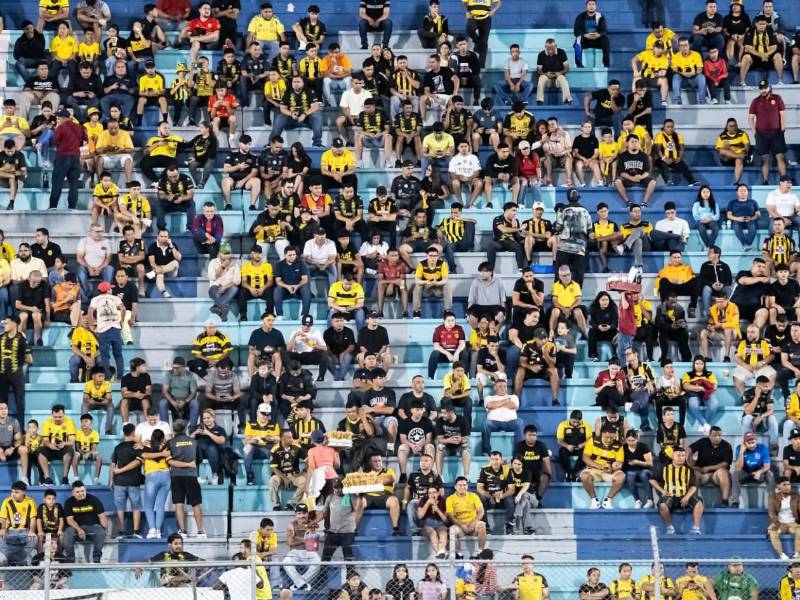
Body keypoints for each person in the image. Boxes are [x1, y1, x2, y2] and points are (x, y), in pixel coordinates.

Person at [650, 447, 703, 535]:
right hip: (670, 496)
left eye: (683, 456)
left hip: (684, 496)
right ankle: (670, 528)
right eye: (678, 455)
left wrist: (687, 496)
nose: (681, 458)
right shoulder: (664, 468)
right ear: (672, 456)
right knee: (662, 505)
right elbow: (652, 480)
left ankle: (696, 528)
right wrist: (662, 491)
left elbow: (693, 486)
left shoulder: (689, 469)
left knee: (699, 503)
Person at [167, 419, 205, 537]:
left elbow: (167, 460)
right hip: (191, 475)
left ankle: (182, 531)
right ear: (185, 429)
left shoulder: (171, 442)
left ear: (174, 430)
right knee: (196, 503)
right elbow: (199, 459)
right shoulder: (193, 442)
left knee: (179, 503)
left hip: (176, 476)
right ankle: (200, 531)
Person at [749, 80, 787, 184]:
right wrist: (754, 132)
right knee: (765, 158)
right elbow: (750, 118)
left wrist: (782, 129)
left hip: (777, 134)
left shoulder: (777, 98)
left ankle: (784, 180)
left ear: (769, 87)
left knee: (780, 156)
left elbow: (783, 115)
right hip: (761, 135)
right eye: (761, 89)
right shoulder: (755, 101)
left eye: (765, 88)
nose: (763, 90)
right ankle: (765, 181)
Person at [110, 423, 143, 538]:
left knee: (120, 508)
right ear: (133, 433)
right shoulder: (137, 446)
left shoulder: (118, 447)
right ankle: (136, 531)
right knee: (136, 507)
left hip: (119, 482)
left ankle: (122, 532)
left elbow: (113, 465)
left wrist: (112, 479)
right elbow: (137, 462)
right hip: (133, 481)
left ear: (124, 433)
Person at [580, 423, 625, 509]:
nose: (609, 440)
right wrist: (597, 466)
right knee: (584, 476)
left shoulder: (619, 445)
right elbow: (585, 458)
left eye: (611, 438)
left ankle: (608, 500)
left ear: (615, 435)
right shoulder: (592, 441)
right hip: (594, 471)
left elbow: (619, 463)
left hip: (608, 472)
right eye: (606, 437)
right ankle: (594, 500)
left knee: (621, 476)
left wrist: (613, 467)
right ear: (602, 434)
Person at [47, 109, 85, 210]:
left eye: (59, 118)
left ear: (64, 118)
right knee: (73, 185)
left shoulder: (61, 127)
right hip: (75, 158)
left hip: (62, 157)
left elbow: (54, 141)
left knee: (57, 183)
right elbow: (85, 138)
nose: (58, 120)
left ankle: (53, 206)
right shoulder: (79, 127)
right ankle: (72, 206)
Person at [62, 480, 108, 562]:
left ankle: (96, 559)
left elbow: (102, 516)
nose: (81, 494)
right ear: (73, 493)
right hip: (75, 528)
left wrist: (104, 529)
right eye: (78, 492)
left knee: (101, 532)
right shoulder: (69, 502)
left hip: (92, 526)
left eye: (83, 491)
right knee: (67, 535)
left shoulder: (94, 499)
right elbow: (70, 520)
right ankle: (70, 560)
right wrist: (79, 529)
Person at [688, 426, 732, 507]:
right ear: (709, 435)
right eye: (715, 436)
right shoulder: (703, 441)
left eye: (719, 435)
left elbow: (725, 463)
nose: (717, 438)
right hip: (701, 474)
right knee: (693, 473)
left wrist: (708, 468)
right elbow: (689, 449)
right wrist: (689, 464)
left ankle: (725, 501)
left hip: (716, 475)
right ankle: (694, 500)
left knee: (723, 471)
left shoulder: (726, 446)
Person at [282, 503, 321, 590]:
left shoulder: (311, 524)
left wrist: (296, 537)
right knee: (286, 562)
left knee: (318, 561)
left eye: (304, 513)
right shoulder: (291, 525)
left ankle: (299, 583)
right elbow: (289, 542)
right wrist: (303, 540)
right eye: (299, 513)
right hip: (295, 551)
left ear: (307, 514)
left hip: (309, 551)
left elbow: (312, 544)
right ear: (295, 514)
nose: (302, 516)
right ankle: (302, 584)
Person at [445, 476, 487, 555]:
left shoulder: (473, 496)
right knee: (452, 530)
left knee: (482, 525)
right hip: (460, 527)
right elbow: (450, 516)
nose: (462, 487)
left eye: (464, 485)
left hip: (473, 526)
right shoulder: (450, 499)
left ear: (467, 486)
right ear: (455, 487)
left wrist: (473, 524)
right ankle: (458, 554)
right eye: (460, 485)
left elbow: (481, 511)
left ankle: (480, 552)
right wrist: (462, 525)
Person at [768, 476, 800, 559]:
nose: (787, 487)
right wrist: (775, 524)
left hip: (793, 522)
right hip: (780, 523)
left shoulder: (796, 497)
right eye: (784, 485)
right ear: (778, 486)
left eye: (789, 484)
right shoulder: (773, 497)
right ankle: (781, 554)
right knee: (773, 532)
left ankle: (797, 553)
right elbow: (771, 513)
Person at [574, 0, 610, 68]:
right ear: (586, 6)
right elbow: (576, 31)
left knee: (605, 39)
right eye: (589, 4)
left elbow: (604, 30)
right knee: (578, 39)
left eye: (593, 4)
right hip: (585, 40)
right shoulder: (580, 17)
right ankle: (579, 65)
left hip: (597, 40)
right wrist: (585, 35)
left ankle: (606, 64)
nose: (591, 6)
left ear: (595, 6)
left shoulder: (600, 16)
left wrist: (598, 35)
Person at [536, 38, 572, 105]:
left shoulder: (562, 52)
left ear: (556, 46)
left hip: (558, 77)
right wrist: (546, 74)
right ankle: (539, 99)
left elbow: (567, 67)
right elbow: (539, 71)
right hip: (547, 78)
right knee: (541, 78)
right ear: (545, 47)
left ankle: (567, 98)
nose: (550, 51)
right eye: (548, 49)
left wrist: (560, 73)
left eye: (552, 49)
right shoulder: (541, 54)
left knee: (562, 78)